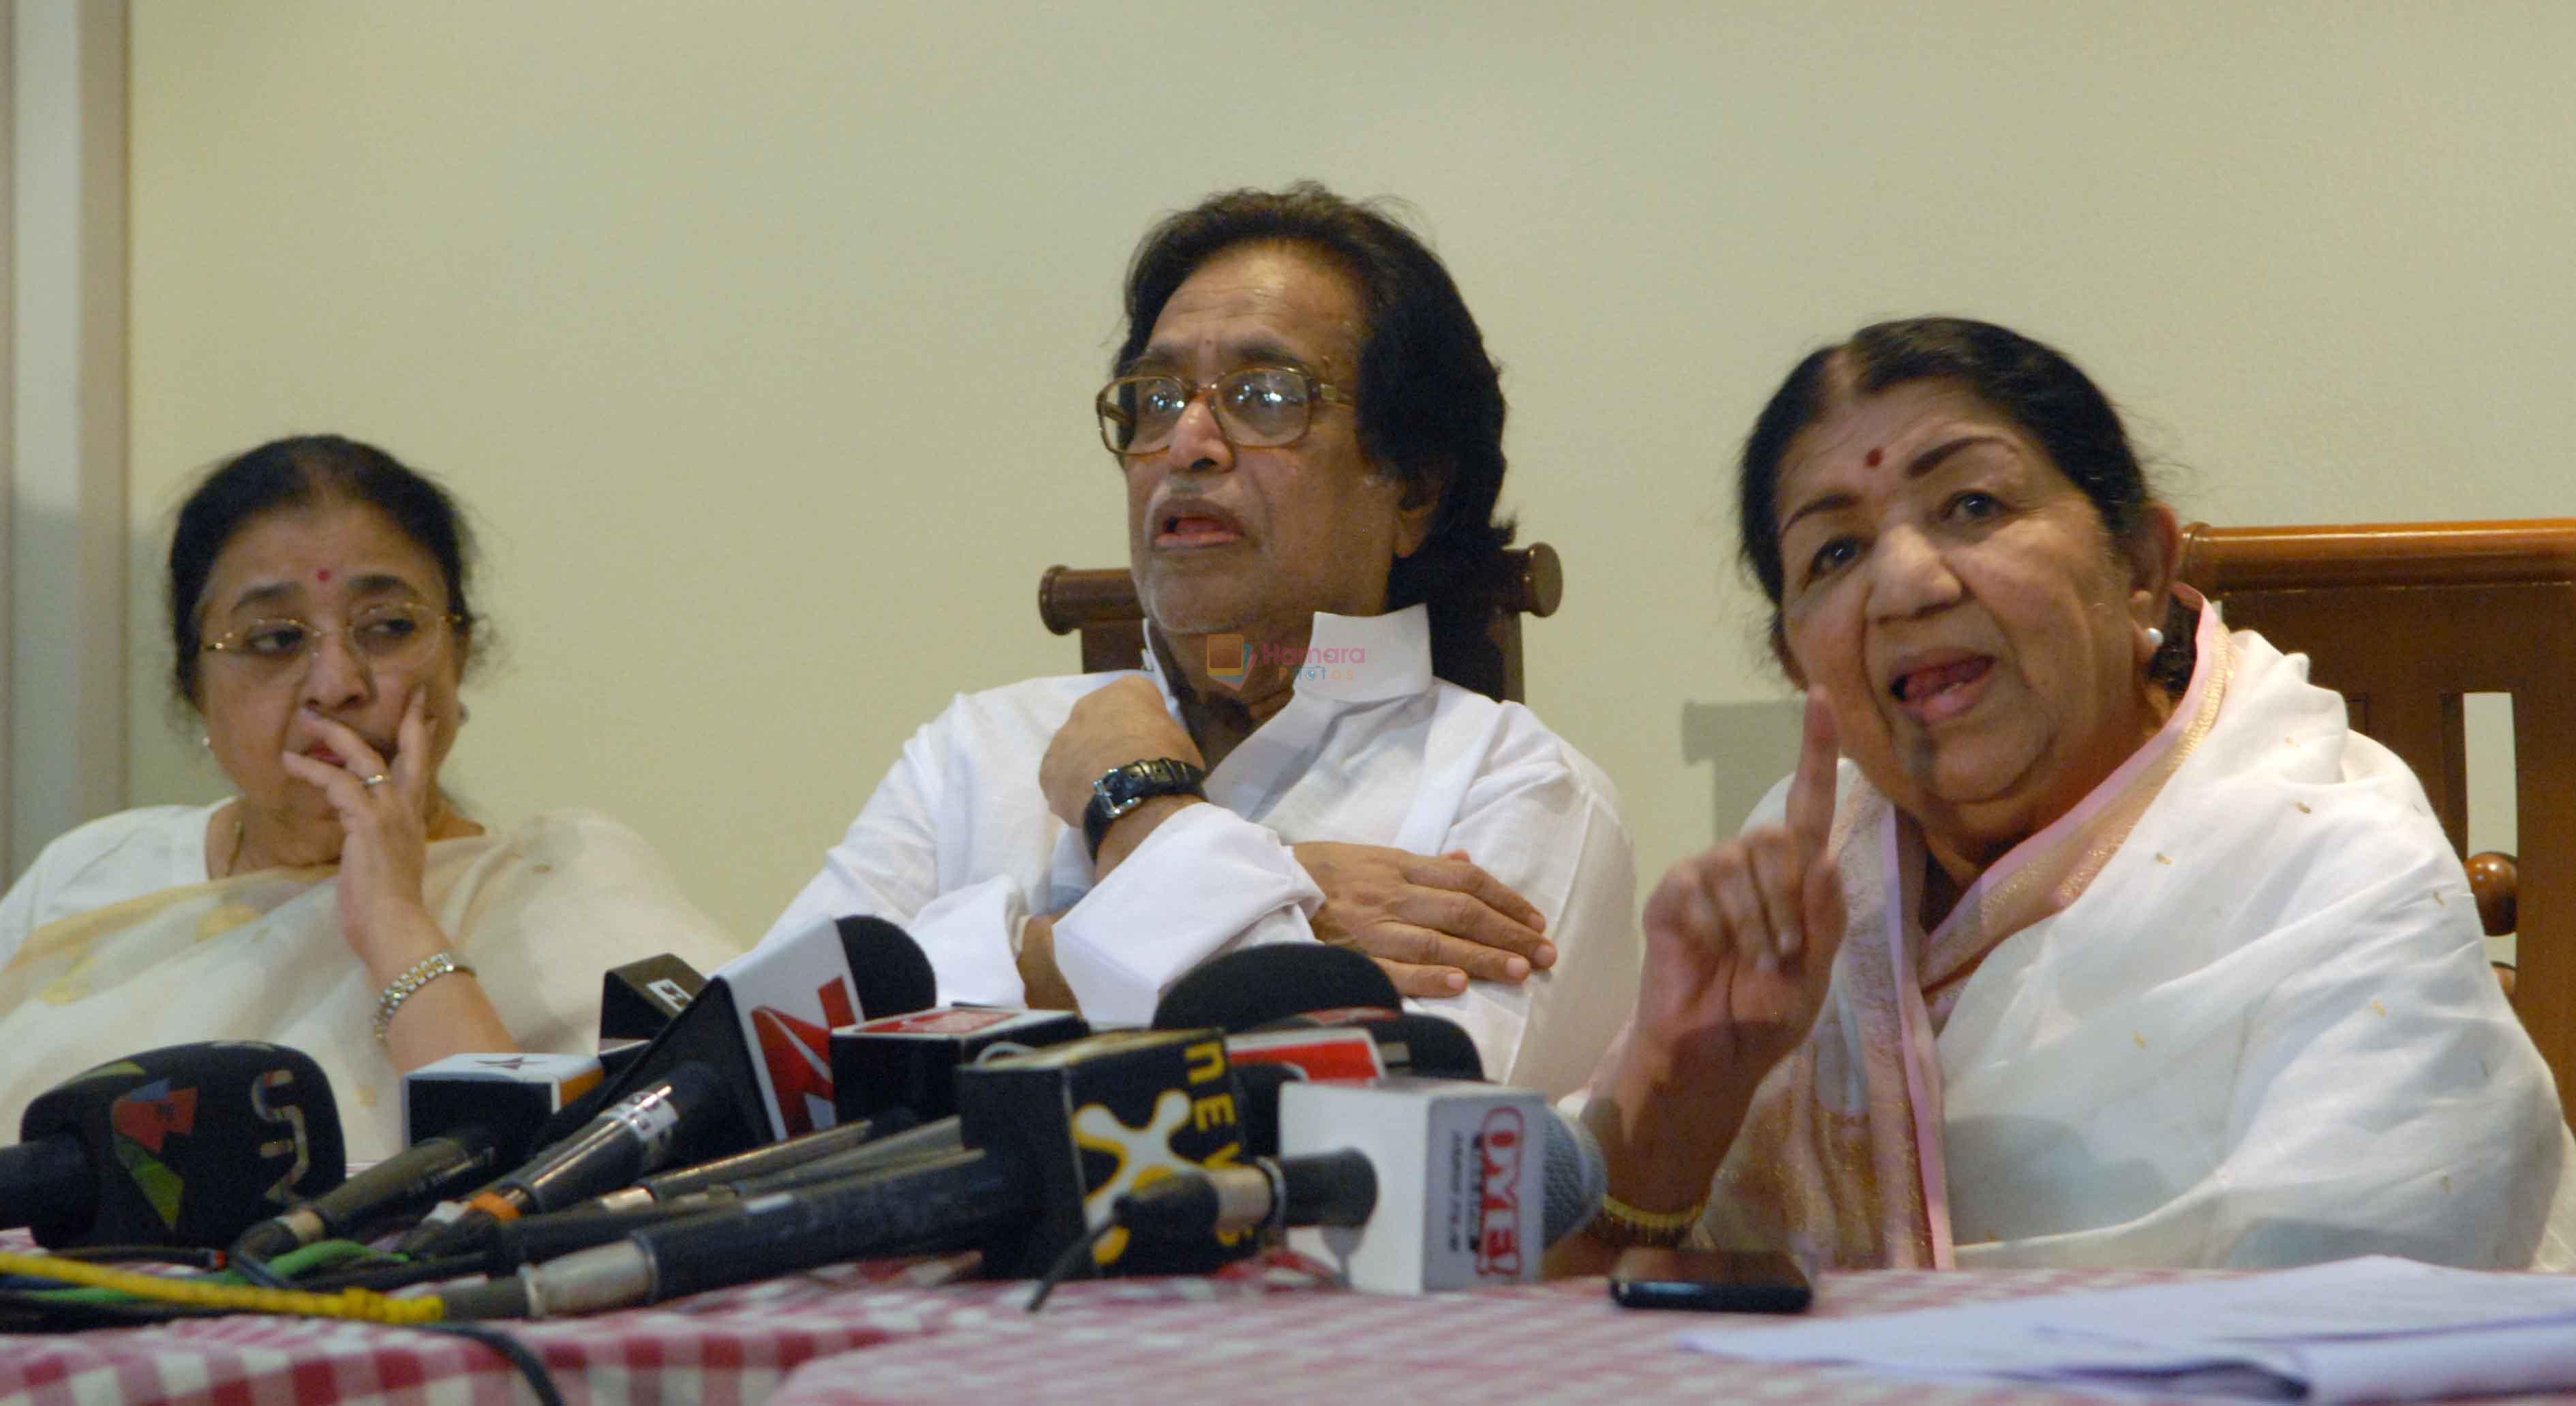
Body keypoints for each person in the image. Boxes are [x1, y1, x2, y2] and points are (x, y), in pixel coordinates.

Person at [1558, 318, 2576, 1271]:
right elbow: (1549, 1308)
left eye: (1972, 505)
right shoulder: (1805, 887)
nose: (1907, 581)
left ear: (2140, 566)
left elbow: (2379, 1314)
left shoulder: (2332, 861)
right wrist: (1681, 1086)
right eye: (1836, 551)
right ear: (1797, 661)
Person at [767, 184, 1635, 1093]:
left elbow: (1385, 1152)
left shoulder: (1516, 787)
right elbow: (757, 1052)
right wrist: (1275, 894)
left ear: (1412, 488)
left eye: (1265, 396)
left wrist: (1142, 814)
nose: (1187, 442)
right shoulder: (977, 749)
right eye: (1154, 395)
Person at [0, 436, 737, 1157]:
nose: (337, 683)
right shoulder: (92, 873)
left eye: (388, 627)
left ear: (461, 653)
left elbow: (566, 1195)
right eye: (274, 639)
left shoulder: (566, 884)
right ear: (194, 690)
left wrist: (395, 920)